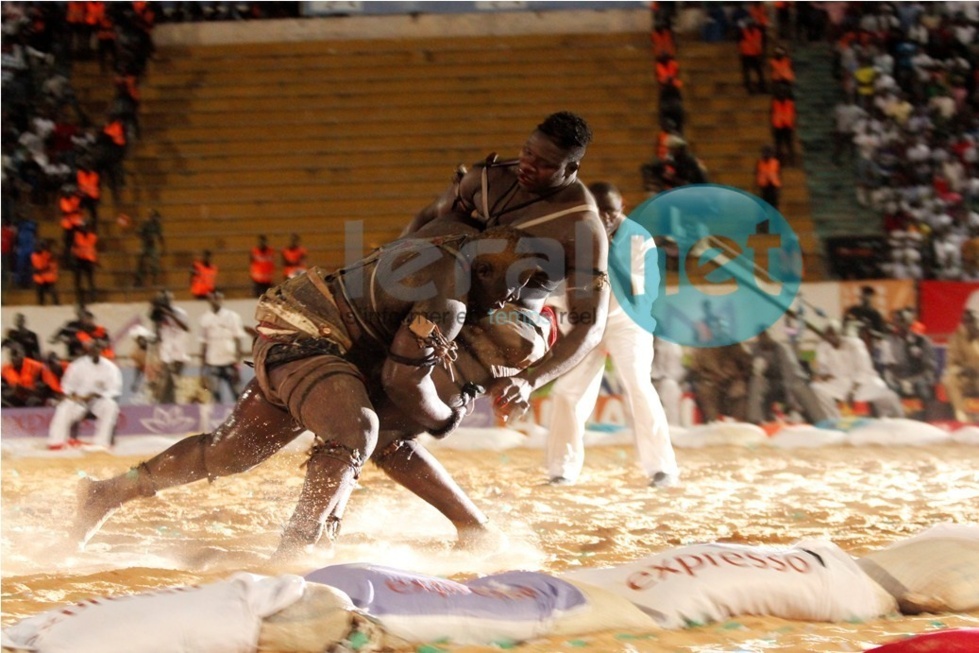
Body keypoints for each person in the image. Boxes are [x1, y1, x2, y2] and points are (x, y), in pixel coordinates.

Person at [72, 227, 533, 557]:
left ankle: (107, 494)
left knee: (227, 453)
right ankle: (300, 548)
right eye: (508, 288)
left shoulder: (448, 243)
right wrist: (446, 419)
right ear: (486, 267)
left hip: (312, 338)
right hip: (308, 336)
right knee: (359, 429)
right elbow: (403, 380)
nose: (507, 301)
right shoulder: (449, 298)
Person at [402, 111, 609, 422]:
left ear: (571, 168)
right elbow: (429, 220)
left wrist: (528, 381)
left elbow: (589, 326)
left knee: (407, 400)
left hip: (508, 326)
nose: (529, 165)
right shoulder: (488, 178)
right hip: (445, 298)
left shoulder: (581, 228)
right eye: (527, 151)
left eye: (545, 164)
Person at [544, 182, 679, 488]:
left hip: (627, 323)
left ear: (624, 208)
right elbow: (556, 283)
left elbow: (637, 291)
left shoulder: (639, 239)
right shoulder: (574, 233)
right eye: (598, 211)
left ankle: (662, 468)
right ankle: (561, 471)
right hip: (583, 321)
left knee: (638, 386)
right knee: (567, 392)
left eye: (611, 213)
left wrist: (604, 247)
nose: (604, 218)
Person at [810, 320, 903, 420]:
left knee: (888, 396)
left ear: (840, 334)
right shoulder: (823, 347)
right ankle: (833, 419)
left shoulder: (855, 344)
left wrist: (852, 392)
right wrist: (822, 376)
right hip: (840, 383)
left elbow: (864, 370)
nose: (830, 339)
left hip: (863, 383)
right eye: (827, 336)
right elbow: (823, 368)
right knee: (816, 388)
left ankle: (896, 420)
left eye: (833, 335)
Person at [47, 338, 122, 451]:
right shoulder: (77, 365)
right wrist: (74, 395)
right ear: (88, 350)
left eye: (98, 348)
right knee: (64, 407)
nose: (95, 351)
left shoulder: (110, 368)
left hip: (98, 401)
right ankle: (56, 442)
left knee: (111, 406)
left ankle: (101, 442)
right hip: (79, 400)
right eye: (92, 348)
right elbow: (67, 385)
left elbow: (114, 389)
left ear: (101, 350)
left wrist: (98, 395)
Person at [746, 328, 828, 424]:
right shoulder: (756, 350)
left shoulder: (781, 349)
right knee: (756, 382)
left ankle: (821, 421)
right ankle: (756, 420)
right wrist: (758, 371)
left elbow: (788, 375)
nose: (764, 338)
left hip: (790, 381)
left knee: (800, 388)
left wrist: (791, 402)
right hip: (772, 383)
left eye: (766, 335)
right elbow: (756, 373)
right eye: (761, 336)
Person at [882, 309, 936, 418]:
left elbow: (929, 366)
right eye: (897, 321)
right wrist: (898, 381)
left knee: (923, 390)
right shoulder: (888, 341)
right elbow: (888, 366)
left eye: (903, 321)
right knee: (888, 390)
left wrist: (912, 381)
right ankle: (895, 421)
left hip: (919, 377)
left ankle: (926, 421)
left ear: (909, 323)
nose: (900, 325)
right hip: (898, 378)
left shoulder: (922, 341)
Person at [198, 291, 247, 403]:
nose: (216, 300)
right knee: (215, 396)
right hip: (212, 362)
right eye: (213, 298)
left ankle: (240, 419)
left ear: (222, 299)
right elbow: (203, 344)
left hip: (230, 361)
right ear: (209, 300)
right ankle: (217, 418)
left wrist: (237, 365)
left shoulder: (233, 316)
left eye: (218, 298)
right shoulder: (204, 318)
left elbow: (238, 340)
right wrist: (202, 371)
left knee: (238, 394)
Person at [688, 341, 753, 422]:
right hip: (711, 383)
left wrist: (738, 376)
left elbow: (747, 365)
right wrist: (708, 376)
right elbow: (695, 369)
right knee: (705, 391)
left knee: (739, 391)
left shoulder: (734, 346)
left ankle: (739, 424)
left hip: (732, 382)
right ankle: (712, 423)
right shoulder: (703, 347)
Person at [148, 289, 190, 404]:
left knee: (169, 382)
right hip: (166, 354)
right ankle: (168, 404)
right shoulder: (159, 314)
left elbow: (186, 328)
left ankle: (167, 404)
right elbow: (158, 334)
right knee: (166, 382)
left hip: (179, 354)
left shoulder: (180, 313)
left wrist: (169, 314)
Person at [942, 308, 979, 422]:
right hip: (967, 378)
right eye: (966, 322)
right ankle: (960, 414)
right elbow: (951, 363)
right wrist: (963, 369)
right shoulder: (958, 336)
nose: (969, 325)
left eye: (972, 321)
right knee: (949, 379)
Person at [2, 342, 62, 408]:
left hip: (35, 397)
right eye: (11, 354)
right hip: (15, 399)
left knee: (34, 401)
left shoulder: (37, 366)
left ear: (22, 353)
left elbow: (49, 388)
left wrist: (28, 391)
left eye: (16, 353)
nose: (13, 357)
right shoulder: (5, 369)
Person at [651, 337, 686, 427]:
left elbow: (676, 373)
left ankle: (673, 429)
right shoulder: (635, 340)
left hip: (665, 381)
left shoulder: (670, 344)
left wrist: (661, 378)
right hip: (644, 382)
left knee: (670, 386)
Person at [134, 209, 165, 287]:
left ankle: (155, 279)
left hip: (152, 246)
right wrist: (144, 236)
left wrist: (163, 247)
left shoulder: (157, 225)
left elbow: (160, 236)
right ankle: (138, 280)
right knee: (140, 263)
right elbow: (138, 233)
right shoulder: (145, 223)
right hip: (144, 245)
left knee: (155, 262)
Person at [71, 221, 98, 305]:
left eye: (85, 227)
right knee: (78, 281)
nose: (84, 229)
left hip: (89, 260)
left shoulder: (93, 237)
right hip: (79, 260)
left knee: (90, 280)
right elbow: (74, 247)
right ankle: (79, 298)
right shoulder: (77, 236)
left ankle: (93, 298)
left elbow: (92, 247)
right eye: (82, 227)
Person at [771, 84, 797, 165]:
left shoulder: (790, 103)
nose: (781, 94)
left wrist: (793, 126)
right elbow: (772, 115)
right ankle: (779, 162)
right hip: (778, 127)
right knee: (778, 146)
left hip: (787, 127)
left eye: (783, 92)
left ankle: (792, 161)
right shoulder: (774, 103)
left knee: (789, 145)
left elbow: (793, 115)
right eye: (780, 92)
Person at [739, 19, 766, 94]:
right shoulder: (743, 32)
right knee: (747, 72)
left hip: (755, 54)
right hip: (746, 55)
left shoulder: (758, 32)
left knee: (759, 72)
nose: (750, 26)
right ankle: (748, 87)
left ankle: (762, 87)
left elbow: (760, 43)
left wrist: (760, 54)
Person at [31, 238, 60, 305]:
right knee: (40, 291)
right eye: (37, 246)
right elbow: (35, 268)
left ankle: (57, 304)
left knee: (53, 291)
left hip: (48, 277)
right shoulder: (33, 256)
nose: (38, 248)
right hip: (39, 278)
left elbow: (52, 265)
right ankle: (41, 304)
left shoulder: (48, 254)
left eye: (40, 246)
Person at [755, 145, 782, 210]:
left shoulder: (775, 162)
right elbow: (757, 173)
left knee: (774, 205)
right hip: (764, 187)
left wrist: (779, 187)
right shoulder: (759, 162)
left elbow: (779, 174)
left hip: (773, 186)